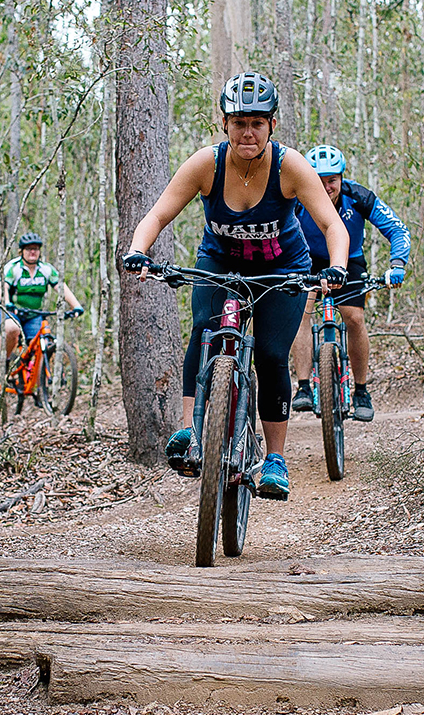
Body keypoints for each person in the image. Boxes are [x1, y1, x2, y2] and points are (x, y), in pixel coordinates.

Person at [121, 72, 349, 499]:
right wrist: (138, 250)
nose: (248, 132)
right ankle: (191, 432)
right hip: (220, 263)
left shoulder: (289, 165)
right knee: (203, 330)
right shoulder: (206, 164)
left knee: (270, 355)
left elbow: (332, 225)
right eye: (239, 122)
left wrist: (336, 266)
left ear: (271, 125)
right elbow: (157, 215)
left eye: (257, 123)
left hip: (283, 269)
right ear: (224, 123)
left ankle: (275, 459)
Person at [290, 144, 410, 422]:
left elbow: (397, 229)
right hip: (307, 260)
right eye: (319, 180)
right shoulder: (297, 200)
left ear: (342, 178)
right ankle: (304, 386)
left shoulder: (357, 196)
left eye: (332, 180)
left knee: (354, 317)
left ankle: (361, 391)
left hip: (349, 259)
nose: (326, 187)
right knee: (302, 312)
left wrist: (397, 264)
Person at [0, 232, 83, 364]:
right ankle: (4, 363)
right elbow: (2, 286)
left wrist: (76, 306)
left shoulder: (45, 269)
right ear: (21, 251)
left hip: (33, 314)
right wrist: (7, 303)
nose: (32, 252)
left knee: (42, 344)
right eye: (29, 249)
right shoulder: (14, 268)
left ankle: (39, 376)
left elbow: (61, 287)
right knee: (12, 329)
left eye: (35, 248)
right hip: (10, 312)